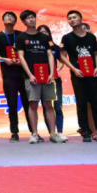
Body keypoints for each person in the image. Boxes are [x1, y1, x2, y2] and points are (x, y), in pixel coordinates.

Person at [60, 11, 97, 142]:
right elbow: (62, 56)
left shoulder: (91, 37)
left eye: (74, 17)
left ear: (81, 19)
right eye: (69, 18)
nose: (72, 20)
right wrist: (74, 69)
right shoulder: (67, 38)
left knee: (96, 102)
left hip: (92, 74)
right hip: (78, 74)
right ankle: (86, 131)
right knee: (81, 103)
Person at [15, 11, 63, 144]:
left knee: (48, 104)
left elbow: (50, 55)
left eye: (32, 17)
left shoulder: (44, 37)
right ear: (23, 22)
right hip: (31, 77)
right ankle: (35, 133)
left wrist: (52, 73)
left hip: (46, 76)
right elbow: (21, 57)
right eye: (28, 18)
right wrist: (30, 74)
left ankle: (53, 133)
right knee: (33, 104)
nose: (31, 20)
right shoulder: (21, 37)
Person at [0, 12, 30, 142]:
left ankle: (33, 131)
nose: (9, 18)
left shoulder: (21, 35)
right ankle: (14, 132)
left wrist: (22, 61)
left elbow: (28, 52)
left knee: (28, 103)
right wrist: (5, 60)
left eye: (11, 17)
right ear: (3, 20)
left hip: (23, 74)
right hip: (8, 74)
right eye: (6, 17)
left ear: (15, 21)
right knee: (12, 104)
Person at [38, 25, 67, 141]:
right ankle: (52, 132)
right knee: (47, 107)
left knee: (58, 106)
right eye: (41, 32)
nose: (44, 34)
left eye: (46, 32)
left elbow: (62, 60)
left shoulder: (55, 47)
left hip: (55, 79)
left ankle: (60, 132)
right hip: (41, 79)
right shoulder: (36, 47)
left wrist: (57, 70)